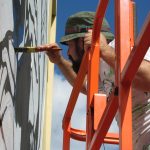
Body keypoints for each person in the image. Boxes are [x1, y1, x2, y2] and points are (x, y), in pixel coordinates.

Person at [43, 11, 150, 150]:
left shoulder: (121, 48)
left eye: (69, 45)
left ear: (84, 40)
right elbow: (84, 86)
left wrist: (104, 50)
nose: (68, 52)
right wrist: (60, 61)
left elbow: (148, 77)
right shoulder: (100, 70)